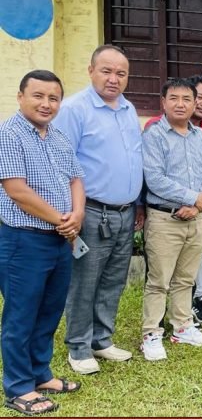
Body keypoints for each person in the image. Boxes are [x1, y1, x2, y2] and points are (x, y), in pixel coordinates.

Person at [53, 45, 144, 375]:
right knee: (85, 282)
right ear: (91, 70)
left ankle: (101, 339)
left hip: (125, 211)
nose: (113, 79)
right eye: (106, 71)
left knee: (113, 280)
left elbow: (133, 158)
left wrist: (138, 203)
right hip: (90, 212)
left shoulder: (128, 109)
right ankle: (78, 346)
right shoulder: (74, 109)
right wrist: (70, 213)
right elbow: (60, 164)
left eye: (121, 73)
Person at [0, 71, 84, 415]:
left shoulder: (59, 137)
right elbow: (16, 190)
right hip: (24, 240)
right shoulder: (8, 134)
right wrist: (63, 220)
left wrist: (77, 214)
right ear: (21, 96)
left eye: (53, 98)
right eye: (38, 95)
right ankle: (19, 387)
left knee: (49, 311)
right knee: (21, 315)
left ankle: (40, 374)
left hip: (60, 240)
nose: (46, 103)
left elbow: (76, 179)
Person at [140, 78, 202, 361]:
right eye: (174, 98)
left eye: (187, 99)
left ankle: (182, 326)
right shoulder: (154, 135)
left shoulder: (200, 136)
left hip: (195, 219)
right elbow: (154, 179)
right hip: (165, 219)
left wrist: (197, 207)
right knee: (158, 281)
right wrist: (193, 198)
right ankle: (151, 333)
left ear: (194, 103)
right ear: (163, 102)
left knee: (186, 279)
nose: (181, 104)